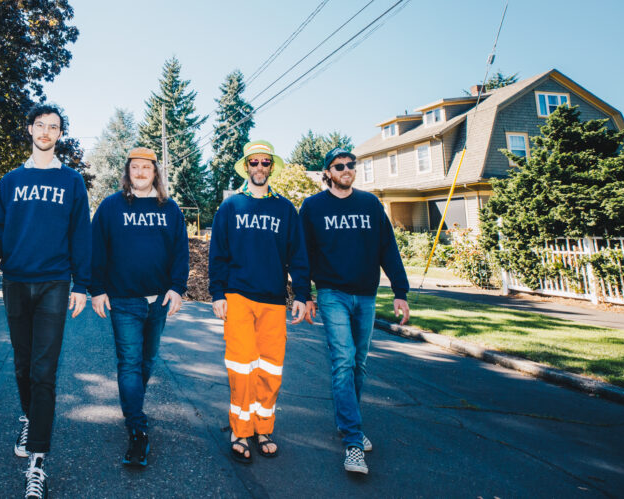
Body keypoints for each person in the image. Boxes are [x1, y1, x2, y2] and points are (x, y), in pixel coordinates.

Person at [0, 103, 91, 499]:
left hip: (55, 282)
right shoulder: (11, 181)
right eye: (40, 125)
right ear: (30, 130)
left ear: (59, 135)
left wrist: (81, 285)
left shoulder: (72, 181)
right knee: (23, 365)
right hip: (16, 282)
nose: (46, 131)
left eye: (53, 127)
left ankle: (37, 462)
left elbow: (81, 235)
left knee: (44, 370)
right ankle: (29, 417)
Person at [298, 147, 410, 476]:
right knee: (343, 360)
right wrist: (304, 295)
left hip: (366, 295)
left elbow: (388, 248)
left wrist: (400, 292)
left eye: (350, 164)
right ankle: (352, 441)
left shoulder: (370, 204)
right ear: (327, 172)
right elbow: (303, 254)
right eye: (339, 166)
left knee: (358, 363)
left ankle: (349, 422)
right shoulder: (313, 207)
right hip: (332, 293)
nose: (346, 169)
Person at [208, 140, 309, 465]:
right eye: (254, 162)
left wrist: (302, 294)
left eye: (266, 162)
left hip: (273, 301)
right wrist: (217, 293)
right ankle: (240, 431)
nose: (260, 167)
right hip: (237, 296)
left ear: (272, 167)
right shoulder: (231, 207)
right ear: (246, 166)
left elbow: (298, 255)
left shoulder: (285, 209)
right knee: (241, 368)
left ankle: (262, 429)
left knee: (270, 369)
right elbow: (218, 254)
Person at [90, 146, 189, 467]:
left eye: (147, 167)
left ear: (155, 172)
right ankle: (137, 428)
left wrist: (177, 288)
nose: (141, 172)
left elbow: (180, 251)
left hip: (159, 300)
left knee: (147, 361)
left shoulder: (170, 209)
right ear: (128, 172)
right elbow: (96, 249)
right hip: (124, 300)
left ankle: (132, 405)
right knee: (130, 363)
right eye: (135, 167)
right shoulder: (111, 206)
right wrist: (96, 290)